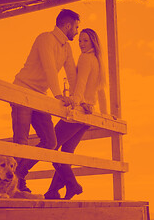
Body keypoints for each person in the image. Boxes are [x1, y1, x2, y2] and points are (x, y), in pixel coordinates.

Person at [11, 9, 80, 192]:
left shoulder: (67, 47)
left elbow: (72, 75)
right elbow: (50, 68)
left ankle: (19, 173)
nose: (77, 31)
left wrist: (76, 98)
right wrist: (58, 95)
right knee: (21, 140)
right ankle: (14, 184)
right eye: (76, 27)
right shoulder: (45, 39)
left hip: (40, 96)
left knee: (51, 142)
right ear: (67, 26)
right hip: (22, 91)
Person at [44, 28, 108, 200]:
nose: (81, 44)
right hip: (88, 115)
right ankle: (52, 191)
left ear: (93, 41)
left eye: (85, 40)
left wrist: (74, 104)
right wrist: (105, 114)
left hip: (79, 112)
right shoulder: (98, 60)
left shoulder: (86, 58)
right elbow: (100, 91)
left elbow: (80, 84)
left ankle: (73, 184)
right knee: (66, 152)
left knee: (52, 147)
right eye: (80, 40)